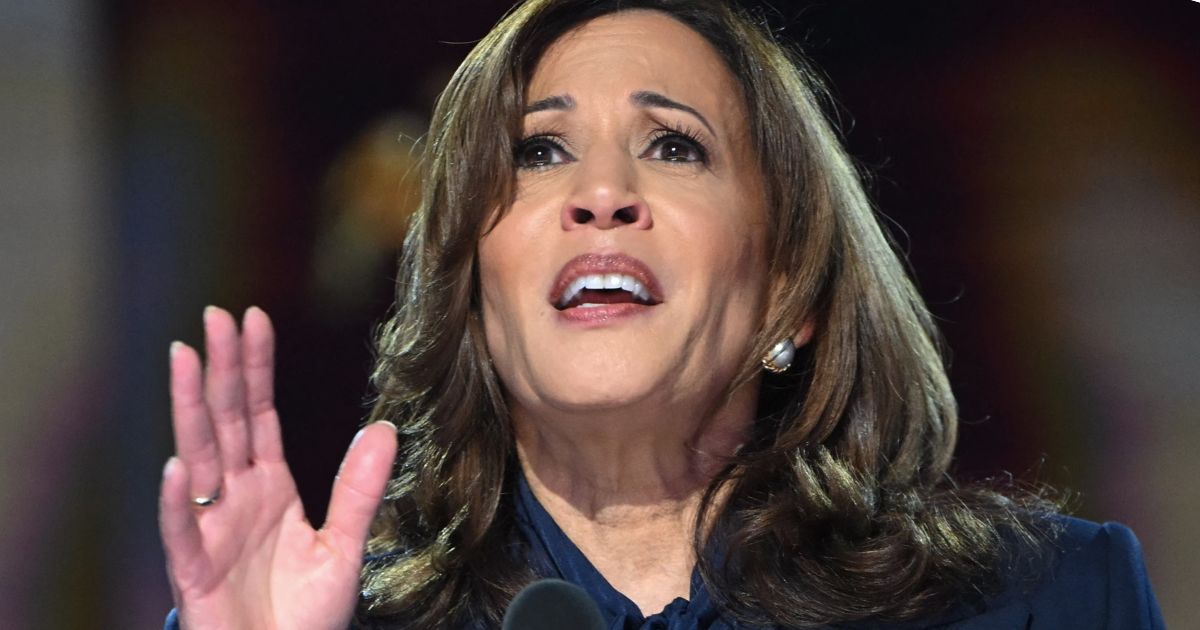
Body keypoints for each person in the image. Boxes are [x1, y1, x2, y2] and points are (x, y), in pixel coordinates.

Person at [158, 0, 1165, 628]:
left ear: (792, 292)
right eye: (538, 151)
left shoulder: (1052, 600)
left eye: (675, 146)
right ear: (471, 295)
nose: (601, 192)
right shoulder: (312, 624)